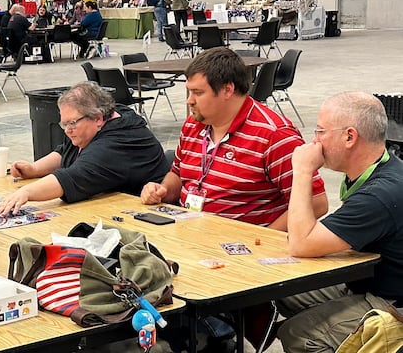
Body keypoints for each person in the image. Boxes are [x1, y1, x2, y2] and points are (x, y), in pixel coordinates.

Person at [139, 47, 328, 230]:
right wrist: (161, 191)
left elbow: (317, 203)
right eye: (189, 92)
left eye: (198, 92)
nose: (189, 100)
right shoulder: (193, 124)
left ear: (227, 90)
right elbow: (178, 174)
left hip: (241, 249)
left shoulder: (274, 135)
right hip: (189, 235)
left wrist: (266, 238)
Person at [275, 92, 403, 352]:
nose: (314, 141)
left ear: (349, 137)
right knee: (282, 289)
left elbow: (301, 243)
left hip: (392, 302)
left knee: (297, 333)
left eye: (321, 131)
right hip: (369, 278)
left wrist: (301, 171)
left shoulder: (379, 195)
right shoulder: (383, 168)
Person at [0, 82, 168, 216]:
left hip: (147, 214)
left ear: (98, 118)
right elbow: (66, 151)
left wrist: (26, 192)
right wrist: (35, 168)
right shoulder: (100, 121)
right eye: (64, 123)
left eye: (72, 123)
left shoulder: (118, 141)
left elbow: (71, 178)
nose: (68, 130)